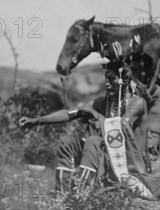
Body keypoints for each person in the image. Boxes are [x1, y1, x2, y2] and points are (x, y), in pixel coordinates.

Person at [19, 42, 150, 194]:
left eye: (111, 79)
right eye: (105, 78)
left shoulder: (137, 103)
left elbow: (117, 130)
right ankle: (62, 194)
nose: (107, 84)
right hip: (107, 153)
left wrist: (94, 114)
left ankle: (81, 194)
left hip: (128, 163)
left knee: (93, 141)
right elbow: (70, 113)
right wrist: (36, 120)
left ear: (124, 81)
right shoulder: (102, 102)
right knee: (66, 142)